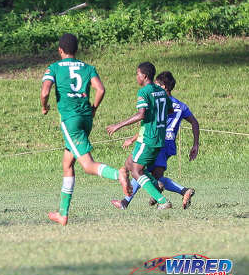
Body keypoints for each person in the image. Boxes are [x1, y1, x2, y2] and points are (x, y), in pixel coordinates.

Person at [41, 33, 131, 226]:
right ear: (76, 50)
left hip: (70, 121)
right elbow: (100, 89)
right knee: (67, 163)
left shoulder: (54, 68)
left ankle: (118, 175)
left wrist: (44, 106)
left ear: (60, 50)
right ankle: (63, 214)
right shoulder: (87, 68)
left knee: (87, 165)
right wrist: (94, 109)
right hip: (85, 118)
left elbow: (45, 91)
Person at [110, 71, 199, 210]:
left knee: (138, 170)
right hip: (168, 144)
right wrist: (196, 145)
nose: (154, 87)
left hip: (156, 141)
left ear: (163, 87)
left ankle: (175, 192)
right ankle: (129, 200)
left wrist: (133, 137)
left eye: (157, 84)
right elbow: (194, 122)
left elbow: (152, 123)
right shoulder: (181, 106)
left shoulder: (158, 102)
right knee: (142, 171)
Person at [106, 62, 174, 210]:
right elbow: (170, 110)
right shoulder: (161, 91)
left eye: (137, 74)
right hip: (158, 137)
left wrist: (118, 125)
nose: (136, 77)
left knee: (136, 171)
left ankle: (162, 201)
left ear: (144, 76)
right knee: (130, 163)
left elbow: (141, 114)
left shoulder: (144, 92)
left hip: (148, 137)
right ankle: (156, 184)